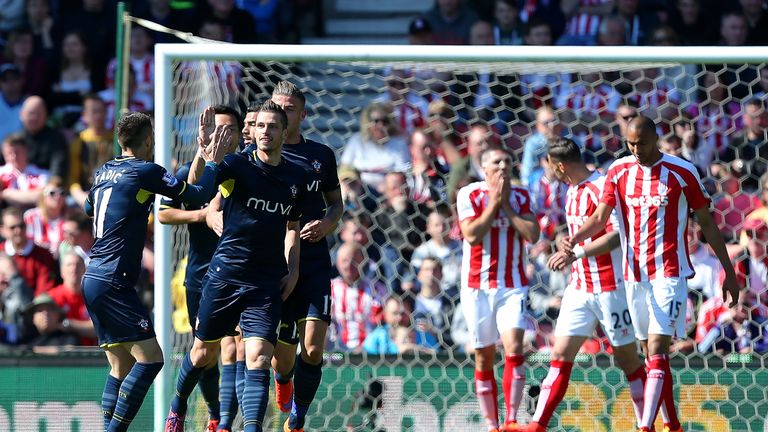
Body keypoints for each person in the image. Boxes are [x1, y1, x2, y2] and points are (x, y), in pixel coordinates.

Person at [561, 116, 740, 432]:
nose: (636, 149)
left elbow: (708, 223)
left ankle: (644, 427)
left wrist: (728, 270)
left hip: (669, 274)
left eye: (641, 143)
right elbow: (601, 215)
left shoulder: (682, 172)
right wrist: (573, 239)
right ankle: (673, 426)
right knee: (651, 357)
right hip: (633, 276)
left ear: (656, 138)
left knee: (658, 350)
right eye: (630, 143)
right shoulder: (618, 171)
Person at [165, 101, 305, 432]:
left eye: (272, 126)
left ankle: (250, 427)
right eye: (260, 126)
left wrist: (293, 269)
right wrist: (205, 151)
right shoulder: (236, 167)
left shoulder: (295, 178)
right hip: (225, 275)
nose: (265, 131)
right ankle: (178, 404)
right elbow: (198, 187)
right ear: (252, 132)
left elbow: (292, 227)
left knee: (256, 356)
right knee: (202, 353)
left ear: (285, 133)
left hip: (265, 282)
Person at [82, 111, 227, 432]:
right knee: (152, 359)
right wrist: (212, 162)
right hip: (114, 279)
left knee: (121, 365)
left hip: (92, 276)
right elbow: (198, 195)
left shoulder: (104, 171)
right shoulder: (145, 171)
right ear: (148, 139)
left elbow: (88, 208)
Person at [511, 138, 646, 431]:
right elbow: (575, 236)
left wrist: (574, 252)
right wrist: (566, 241)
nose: (550, 172)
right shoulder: (571, 191)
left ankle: (646, 424)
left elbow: (615, 236)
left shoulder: (602, 188)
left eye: (550, 165)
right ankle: (537, 425)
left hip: (611, 289)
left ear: (560, 166)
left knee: (628, 361)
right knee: (559, 355)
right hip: (580, 287)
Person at [158, 105, 242, 432]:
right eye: (215, 129)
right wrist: (200, 215)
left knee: (243, 346)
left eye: (228, 130)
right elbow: (166, 213)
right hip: (201, 275)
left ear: (238, 134)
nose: (221, 136)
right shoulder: (190, 173)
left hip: (241, 275)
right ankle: (215, 413)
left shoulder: (251, 169)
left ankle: (231, 423)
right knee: (204, 352)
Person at [267, 81, 343, 432]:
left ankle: (297, 419)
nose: (282, 113)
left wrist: (328, 223)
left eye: (290, 108)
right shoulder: (262, 155)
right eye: (277, 106)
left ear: (302, 114)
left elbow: (336, 203)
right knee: (282, 358)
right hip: (276, 262)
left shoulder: (321, 156)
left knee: (312, 348)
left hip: (313, 261)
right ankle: (284, 378)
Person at [456, 147, 540, 432]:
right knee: (484, 355)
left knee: (515, 348)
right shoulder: (469, 194)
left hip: (512, 285)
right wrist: (494, 203)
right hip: (477, 287)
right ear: (483, 168)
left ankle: (512, 420)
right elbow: (472, 234)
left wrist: (506, 206)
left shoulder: (522, 196)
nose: (503, 166)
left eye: (507, 160)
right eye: (496, 162)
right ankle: (491, 425)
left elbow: (532, 234)